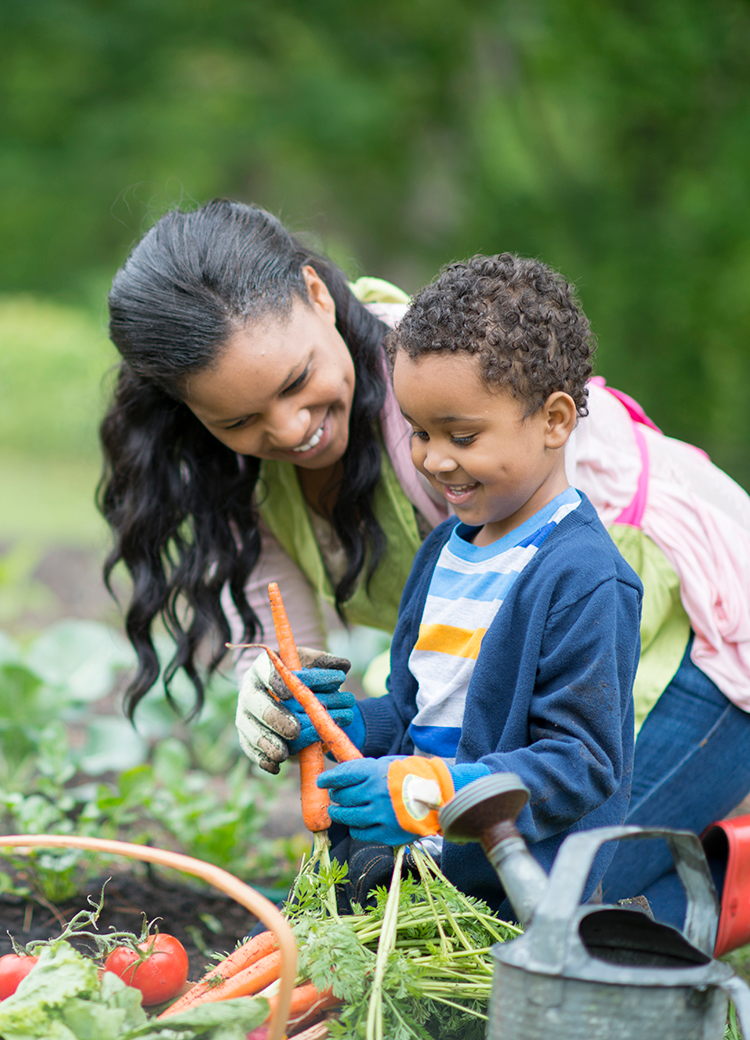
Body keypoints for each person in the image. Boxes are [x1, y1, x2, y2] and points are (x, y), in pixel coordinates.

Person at [101, 200, 750, 939]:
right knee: (411, 908)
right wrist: (291, 697)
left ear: (319, 296)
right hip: (547, 698)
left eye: (294, 382)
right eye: (239, 421)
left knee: (516, 921)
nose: (287, 431)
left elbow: (575, 746)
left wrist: (429, 793)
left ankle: (728, 881)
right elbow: (324, 659)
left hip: (709, 643)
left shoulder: (471, 415)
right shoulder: (258, 479)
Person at [259, 252, 643, 916]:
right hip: (421, 868)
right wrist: (353, 722)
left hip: (510, 895)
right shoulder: (444, 548)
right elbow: (419, 713)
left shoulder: (585, 578)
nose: (434, 460)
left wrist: (424, 794)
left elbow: (580, 765)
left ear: (554, 421)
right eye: (419, 432)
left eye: (462, 436)